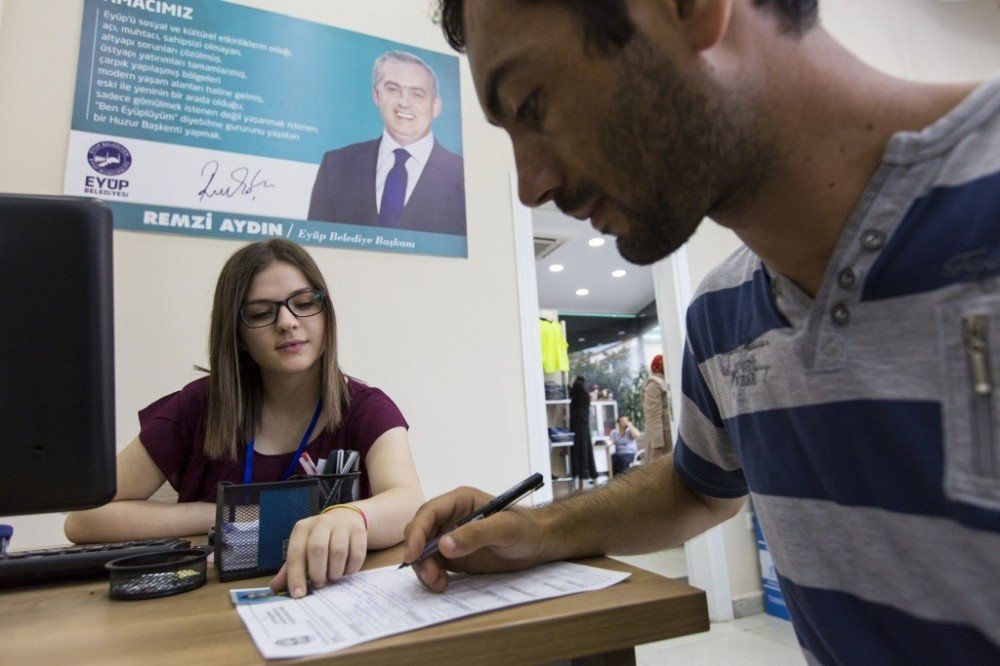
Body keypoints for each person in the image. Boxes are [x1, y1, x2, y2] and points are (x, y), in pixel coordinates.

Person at [403, 1, 1000, 662]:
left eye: (532, 103)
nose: (530, 186)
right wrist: (536, 529)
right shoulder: (724, 315)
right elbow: (696, 486)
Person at [65, 239, 424, 599]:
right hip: (208, 609)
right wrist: (223, 514)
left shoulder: (367, 409)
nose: (287, 322)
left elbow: (408, 501)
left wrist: (350, 516)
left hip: (329, 599)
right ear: (237, 336)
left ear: (326, 315)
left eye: (303, 304)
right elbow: (83, 518)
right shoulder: (199, 405)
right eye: (260, 313)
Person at [308, 50, 467, 236]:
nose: (404, 103)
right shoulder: (335, 166)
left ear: (435, 106)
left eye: (417, 94)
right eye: (393, 89)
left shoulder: (462, 175)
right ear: (376, 95)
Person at [639, 354, 672, 462]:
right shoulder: (654, 384)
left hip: (666, 435)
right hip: (660, 440)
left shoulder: (665, 382)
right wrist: (657, 443)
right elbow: (652, 415)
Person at [568, 375, 596, 483]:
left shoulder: (575, 397)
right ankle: (589, 474)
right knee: (586, 451)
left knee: (576, 453)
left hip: (575, 427)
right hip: (584, 428)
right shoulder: (586, 397)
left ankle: (578, 476)